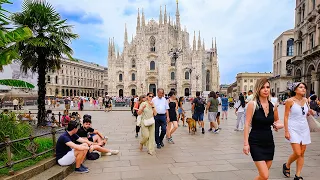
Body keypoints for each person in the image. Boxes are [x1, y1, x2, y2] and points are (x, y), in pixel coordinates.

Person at [243, 78, 281, 180]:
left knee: (263, 177)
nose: (265, 90)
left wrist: (279, 125)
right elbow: (246, 124)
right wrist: (246, 144)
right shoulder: (253, 104)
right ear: (258, 89)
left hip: (269, 142)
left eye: (267, 87)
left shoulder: (273, 106)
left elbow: (278, 121)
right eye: (263, 87)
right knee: (265, 175)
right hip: (255, 141)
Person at [283, 82, 314, 180]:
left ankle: (298, 175)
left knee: (302, 152)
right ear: (295, 90)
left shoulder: (306, 100)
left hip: (304, 128)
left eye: (304, 87)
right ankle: (287, 165)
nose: (303, 89)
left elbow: (305, 113)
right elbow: (286, 117)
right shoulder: (289, 101)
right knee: (297, 152)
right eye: (300, 87)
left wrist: (310, 112)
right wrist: (286, 131)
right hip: (293, 128)